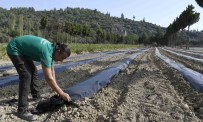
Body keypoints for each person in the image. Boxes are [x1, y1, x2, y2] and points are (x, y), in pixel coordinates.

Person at [6, 35, 71, 121]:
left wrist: (56, 90)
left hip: (22, 50)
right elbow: (48, 77)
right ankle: (22, 110)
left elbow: (52, 72)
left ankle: (36, 95)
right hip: (14, 48)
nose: (61, 60)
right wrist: (62, 93)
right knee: (26, 75)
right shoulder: (46, 52)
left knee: (33, 71)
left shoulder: (53, 50)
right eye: (62, 58)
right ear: (58, 51)